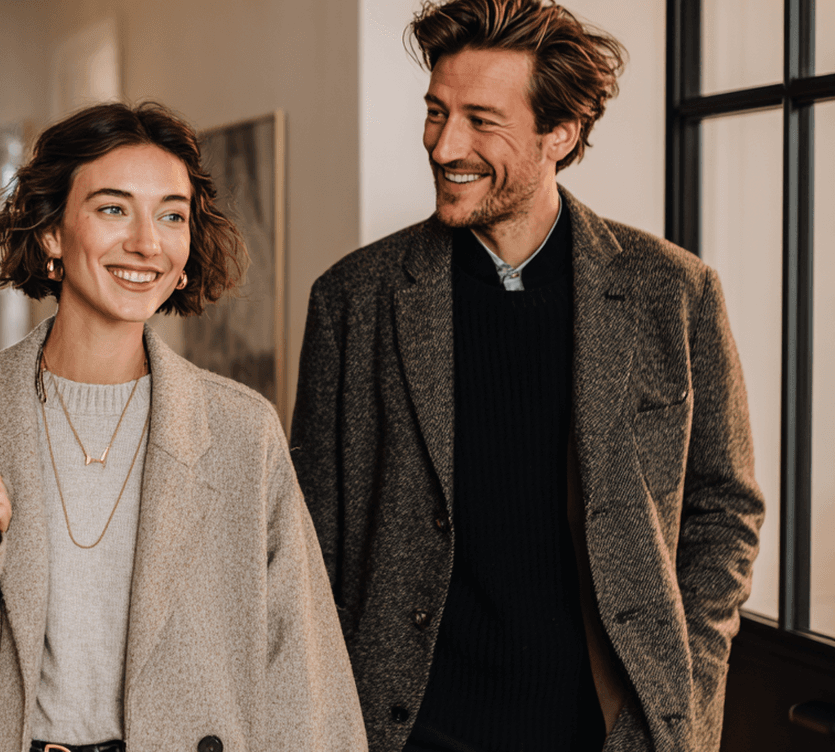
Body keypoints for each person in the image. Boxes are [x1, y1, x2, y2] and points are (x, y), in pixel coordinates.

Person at [0, 102, 366, 752]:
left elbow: (302, 672)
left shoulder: (242, 431)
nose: (146, 241)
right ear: (51, 232)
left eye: (171, 215)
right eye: (112, 208)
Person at [290, 2, 764, 751]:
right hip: (403, 731)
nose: (445, 145)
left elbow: (723, 507)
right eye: (436, 112)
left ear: (561, 134)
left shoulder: (673, 292)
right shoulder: (354, 300)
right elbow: (311, 540)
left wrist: (687, 682)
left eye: (482, 120)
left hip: (609, 732)